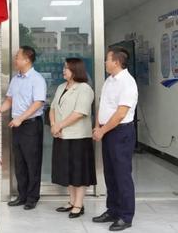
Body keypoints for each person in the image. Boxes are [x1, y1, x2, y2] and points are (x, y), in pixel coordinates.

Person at [0, 46, 46, 210]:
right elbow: (9, 100)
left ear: (27, 59)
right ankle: (22, 196)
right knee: (20, 162)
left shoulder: (37, 79)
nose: (15, 60)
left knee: (32, 162)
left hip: (31, 125)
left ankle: (32, 198)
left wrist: (21, 118)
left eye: (17, 57)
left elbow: (38, 103)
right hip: (17, 125)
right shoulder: (15, 79)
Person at [92, 47, 138, 232]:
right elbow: (102, 105)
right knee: (110, 174)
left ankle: (125, 216)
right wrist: (97, 126)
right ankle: (112, 210)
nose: (105, 62)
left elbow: (120, 113)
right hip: (107, 131)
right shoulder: (109, 80)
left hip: (120, 133)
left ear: (116, 62)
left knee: (122, 175)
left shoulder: (127, 82)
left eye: (107, 59)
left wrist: (102, 131)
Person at [50, 58, 96, 218]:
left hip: (78, 138)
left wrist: (59, 125)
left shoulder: (85, 89)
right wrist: (54, 125)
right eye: (64, 68)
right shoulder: (61, 87)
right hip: (62, 136)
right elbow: (53, 107)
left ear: (76, 70)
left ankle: (79, 204)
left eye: (67, 68)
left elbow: (79, 113)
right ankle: (71, 201)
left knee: (79, 171)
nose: (64, 71)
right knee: (66, 170)